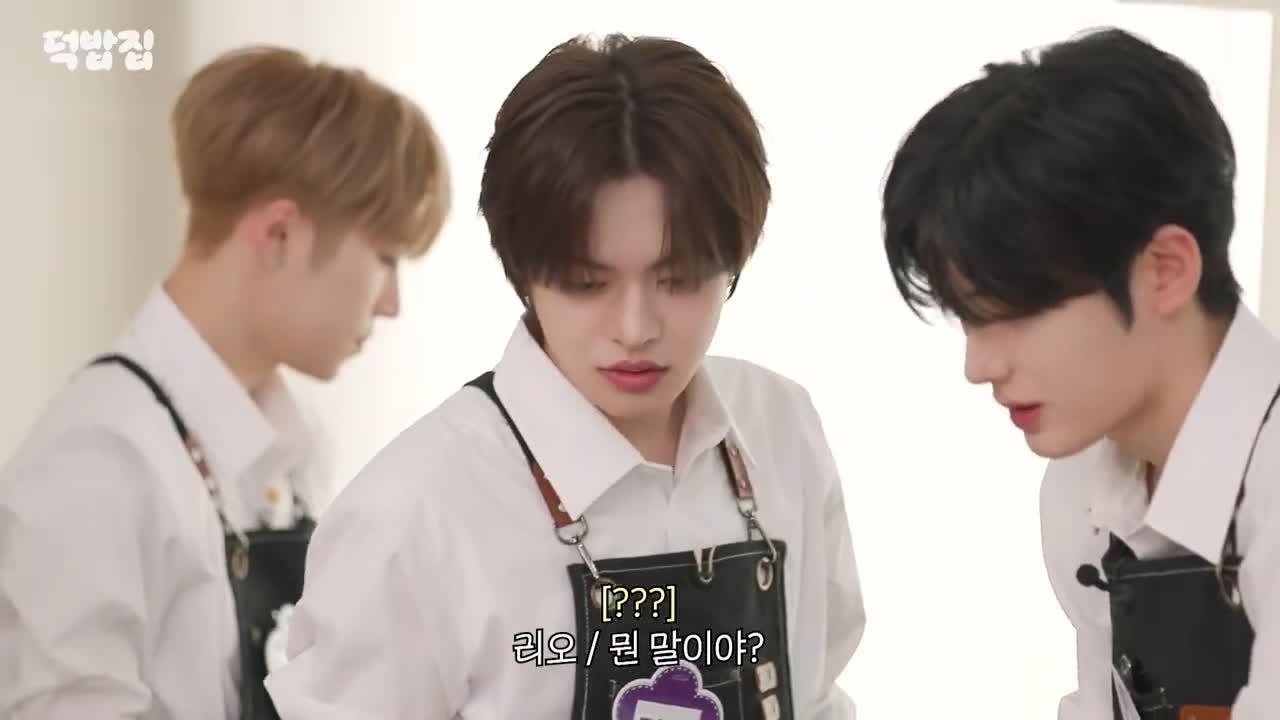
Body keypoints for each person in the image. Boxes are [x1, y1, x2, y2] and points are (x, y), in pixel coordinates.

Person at [265, 33, 864, 720]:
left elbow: (819, 697)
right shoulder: (412, 513)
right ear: (525, 271)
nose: (635, 328)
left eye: (679, 279)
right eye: (587, 282)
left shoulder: (781, 430)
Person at [0, 45, 450, 720]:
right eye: (385, 257)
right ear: (279, 233)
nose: (391, 304)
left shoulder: (294, 444)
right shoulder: (97, 460)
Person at [881, 25, 1278, 720]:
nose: (979, 365)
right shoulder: (1083, 487)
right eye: (967, 317)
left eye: (1014, 311)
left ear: (1166, 270)